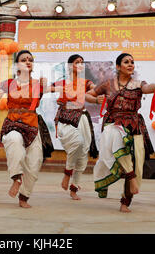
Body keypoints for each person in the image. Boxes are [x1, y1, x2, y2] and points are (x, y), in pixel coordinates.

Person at [85, 53, 155, 213]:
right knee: (116, 138)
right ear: (118, 66)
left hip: (134, 124)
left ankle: (126, 200)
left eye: (132, 62)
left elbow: (147, 88)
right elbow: (87, 95)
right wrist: (96, 100)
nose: (130, 64)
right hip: (113, 123)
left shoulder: (138, 84)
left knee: (137, 165)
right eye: (126, 62)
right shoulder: (107, 84)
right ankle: (129, 177)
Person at [0, 50, 53, 208]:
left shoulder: (38, 83)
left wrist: (45, 85)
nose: (28, 62)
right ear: (17, 65)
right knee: (13, 140)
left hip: (32, 124)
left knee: (34, 162)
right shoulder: (9, 83)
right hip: (13, 122)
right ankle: (16, 177)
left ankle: (24, 196)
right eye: (23, 59)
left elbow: (51, 90)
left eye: (30, 60)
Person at [51, 54, 98, 200]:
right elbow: (47, 89)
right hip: (66, 118)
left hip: (82, 117)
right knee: (77, 143)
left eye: (82, 62)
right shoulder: (62, 83)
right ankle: (67, 173)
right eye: (77, 62)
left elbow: (94, 90)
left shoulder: (86, 83)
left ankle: (74, 187)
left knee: (83, 154)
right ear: (70, 66)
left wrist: (96, 96)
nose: (81, 64)